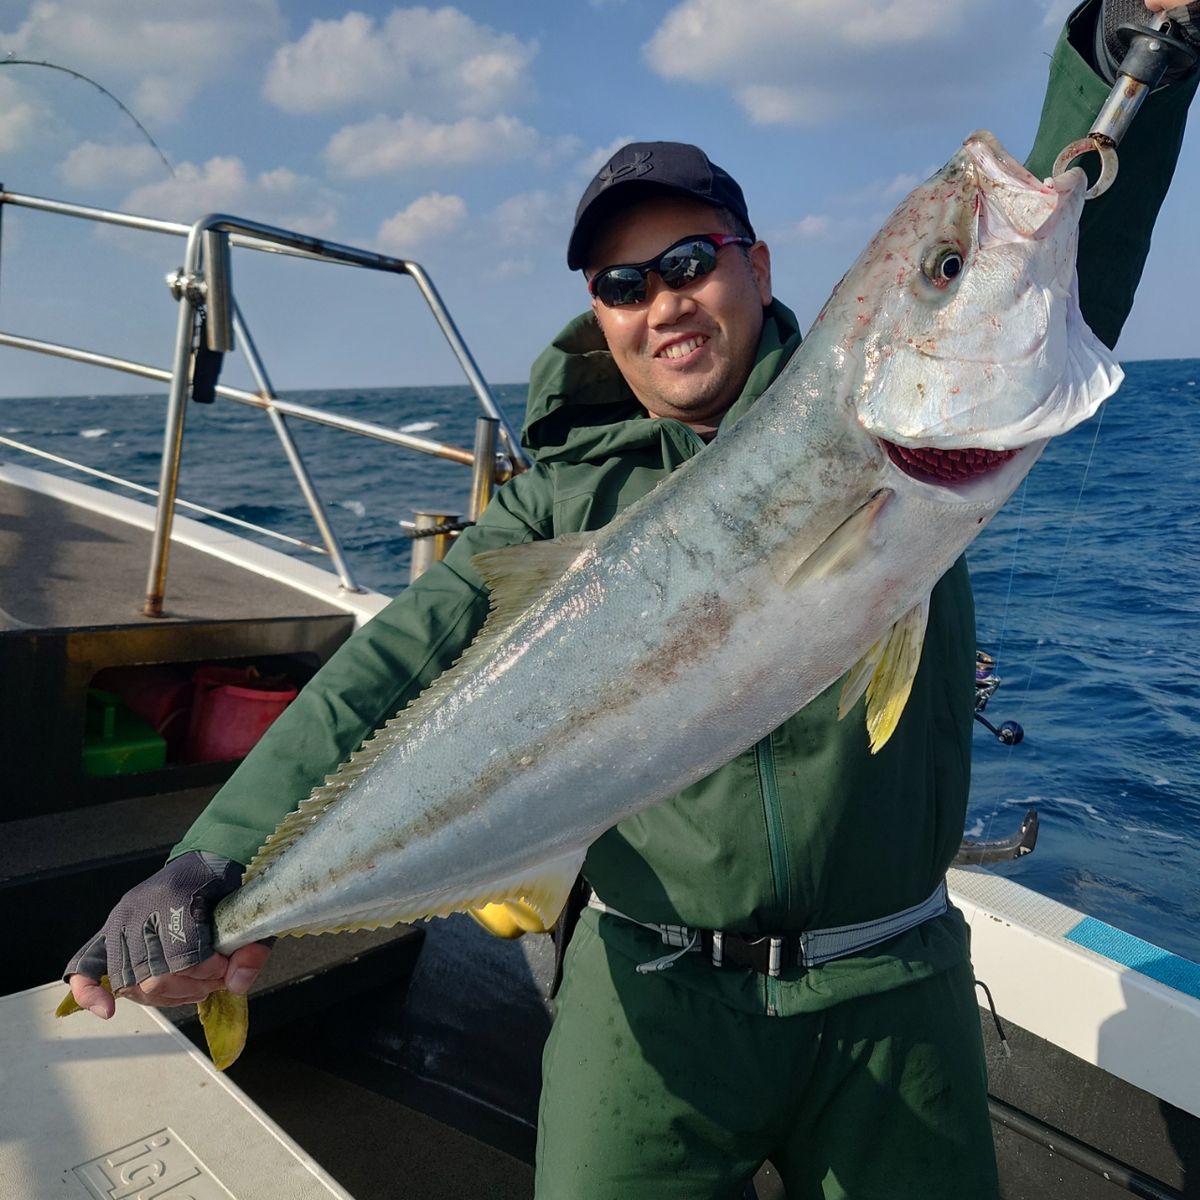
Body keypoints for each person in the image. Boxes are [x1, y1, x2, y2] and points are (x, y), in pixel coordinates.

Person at [66, 2, 1198, 1196]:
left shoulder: (878, 431)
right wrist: (215, 868)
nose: (663, 302)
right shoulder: (556, 502)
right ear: (601, 316)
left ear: (756, 266)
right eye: (622, 282)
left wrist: (1126, 59)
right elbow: (390, 667)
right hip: (650, 989)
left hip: (894, 984)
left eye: (691, 262)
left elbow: (1060, 267)